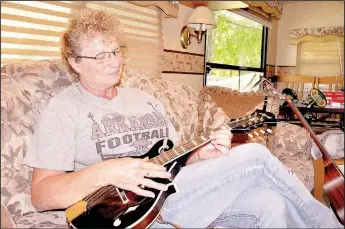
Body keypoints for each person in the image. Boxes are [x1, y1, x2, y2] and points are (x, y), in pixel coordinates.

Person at [24, 9, 342, 228]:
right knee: (256, 156)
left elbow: (173, 158)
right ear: (75, 62)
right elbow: (42, 195)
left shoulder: (146, 100)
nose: (113, 63)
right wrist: (108, 171)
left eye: (116, 50)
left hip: (175, 192)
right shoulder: (64, 107)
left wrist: (204, 153)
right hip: (124, 208)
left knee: (272, 203)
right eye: (100, 56)